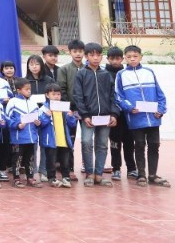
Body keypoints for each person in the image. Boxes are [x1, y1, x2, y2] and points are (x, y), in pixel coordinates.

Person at [115, 45, 169, 188]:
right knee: (139, 145)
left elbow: (160, 94)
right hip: (135, 118)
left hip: (153, 118)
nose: (132, 59)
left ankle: (152, 175)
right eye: (129, 57)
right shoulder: (121, 75)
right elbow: (118, 96)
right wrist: (129, 107)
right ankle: (141, 175)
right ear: (125, 58)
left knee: (154, 145)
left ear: (140, 57)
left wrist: (161, 109)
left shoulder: (149, 72)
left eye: (135, 56)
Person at [72, 42, 119, 187]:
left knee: (102, 145)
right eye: (92, 55)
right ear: (86, 56)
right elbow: (78, 96)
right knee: (86, 142)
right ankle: (89, 174)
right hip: (88, 117)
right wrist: (85, 115)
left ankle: (99, 175)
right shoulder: (81, 74)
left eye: (98, 55)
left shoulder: (106, 75)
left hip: (105, 117)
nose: (95, 58)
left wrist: (114, 114)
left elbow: (113, 96)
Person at [105, 46, 137, 182]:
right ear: (108, 59)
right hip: (113, 115)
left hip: (128, 114)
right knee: (115, 143)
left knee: (129, 142)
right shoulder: (103, 74)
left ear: (122, 59)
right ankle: (116, 169)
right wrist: (112, 112)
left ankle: (131, 169)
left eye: (118, 58)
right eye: (112, 58)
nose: (115, 61)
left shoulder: (126, 73)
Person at [38, 83, 76, 188]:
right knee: (51, 160)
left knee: (65, 160)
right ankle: (52, 178)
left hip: (63, 139)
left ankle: (66, 177)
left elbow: (72, 124)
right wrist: (46, 116)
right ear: (47, 95)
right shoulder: (43, 109)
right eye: (53, 94)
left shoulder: (64, 108)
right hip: (51, 140)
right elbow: (41, 124)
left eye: (58, 94)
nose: (56, 96)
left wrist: (71, 116)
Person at [57, 39, 85, 182]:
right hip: (70, 111)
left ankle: (88, 168)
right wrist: (68, 108)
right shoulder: (64, 69)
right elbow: (61, 89)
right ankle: (69, 170)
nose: (78, 54)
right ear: (70, 52)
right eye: (75, 51)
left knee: (87, 141)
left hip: (86, 111)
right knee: (70, 141)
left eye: (80, 51)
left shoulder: (88, 69)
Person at [7, 77, 42, 188]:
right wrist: (17, 125)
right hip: (18, 137)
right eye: (26, 89)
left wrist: (38, 123)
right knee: (17, 158)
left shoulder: (33, 103)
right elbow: (8, 119)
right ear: (18, 90)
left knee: (30, 159)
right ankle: (16, 178)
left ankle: (30, 177)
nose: (29, 91)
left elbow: (38, 118)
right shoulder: (12, 102)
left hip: (31, 137)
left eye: (29, 89)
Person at [25, 54, 53, 181]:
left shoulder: (48, 80)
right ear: (28, 66)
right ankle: (33, 170)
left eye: (37, 64)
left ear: (41, 65)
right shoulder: (25, 81)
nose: (34, 67)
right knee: (33, 146)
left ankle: (44, 170)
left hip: (46, 116)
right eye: (31, 64)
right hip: (31, 117)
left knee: (45, 144)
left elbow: (53, 96)